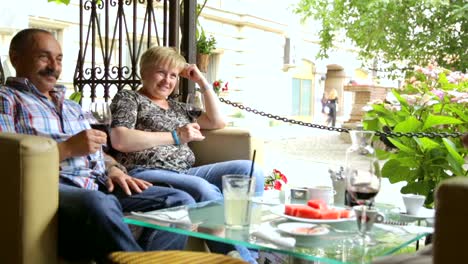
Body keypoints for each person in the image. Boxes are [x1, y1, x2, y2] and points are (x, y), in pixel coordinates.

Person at [0, 28, 196, 262]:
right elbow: (7, 162)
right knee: (99, 203)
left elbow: (98, 152)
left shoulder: (72, 106)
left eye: (59, 59)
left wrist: (113, 169)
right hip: (51, 188)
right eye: (44, 57)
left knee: (180, 201)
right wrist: (67, 149)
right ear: (15, 57)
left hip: (98, 182)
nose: (54, 66)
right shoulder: (7, 99)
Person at [109, 46, 264, 263]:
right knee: (203, 189)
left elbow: (218, 121)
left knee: (250, 171)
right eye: (161, 72)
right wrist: (176, 136)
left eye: (173, 75)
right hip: (146, 170)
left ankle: (249, 252)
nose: (167, 81)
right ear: (144, 72)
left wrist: (202, 82)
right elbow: (120, 139)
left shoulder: (178, 107)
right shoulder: (130, 98)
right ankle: (242, 260)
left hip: (186, 171)